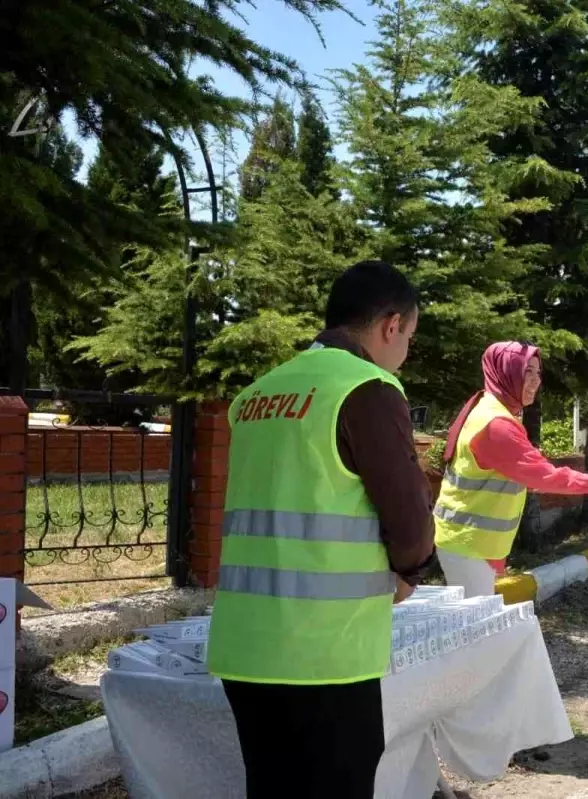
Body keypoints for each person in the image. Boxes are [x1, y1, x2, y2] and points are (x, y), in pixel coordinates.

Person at [207, 260, 436, 798]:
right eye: (410, 337)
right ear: (390, 325)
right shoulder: (367, 388)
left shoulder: (258, 395)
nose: (406, 352)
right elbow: (409, 521)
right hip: (325, 653)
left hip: (245, 646)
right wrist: (411, 570)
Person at [434, 341, 588, 597]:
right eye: (526, 372)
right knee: (477, 631)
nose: (535, 381)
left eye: (538, 372)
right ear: (505, 372)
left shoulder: (489, 408)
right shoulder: (496, 424)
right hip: (469, 544)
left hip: (470, 542)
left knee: (477, 627)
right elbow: (545, 477)